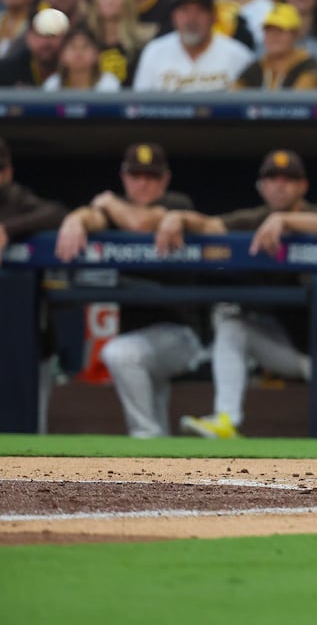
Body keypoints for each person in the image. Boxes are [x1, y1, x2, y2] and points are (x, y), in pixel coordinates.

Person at [157, 149, 317, 438]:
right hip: (291, 349)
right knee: (232, 327)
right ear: (262, 186)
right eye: (272, 178)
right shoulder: (254, 218)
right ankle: (226, 421)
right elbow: (211, 225)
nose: (280, 184)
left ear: (303, 186)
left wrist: (286, 221)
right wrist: (178, 217)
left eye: (289, 178)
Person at [56, 144, 201, 438]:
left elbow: (139, 222)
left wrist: (107, 202)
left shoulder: (177, 204)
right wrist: (76, 218)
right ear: (124, 177)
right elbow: (92, 218)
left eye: (151, 176)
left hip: (181, 334)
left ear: (165, 179)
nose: (143, 182)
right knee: (141, 372)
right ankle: (163, 464)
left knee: (120, 354)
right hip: (139, 334)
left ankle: (145, 437)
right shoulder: (113, 210)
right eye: (136, 175)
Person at [132, 0, 254, 92]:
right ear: (174, 17)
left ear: (213, 17)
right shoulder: (154, 51)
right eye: (185, 11)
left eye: (200, 11)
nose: (191, 19)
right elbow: (140, 104)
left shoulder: (238, 55)